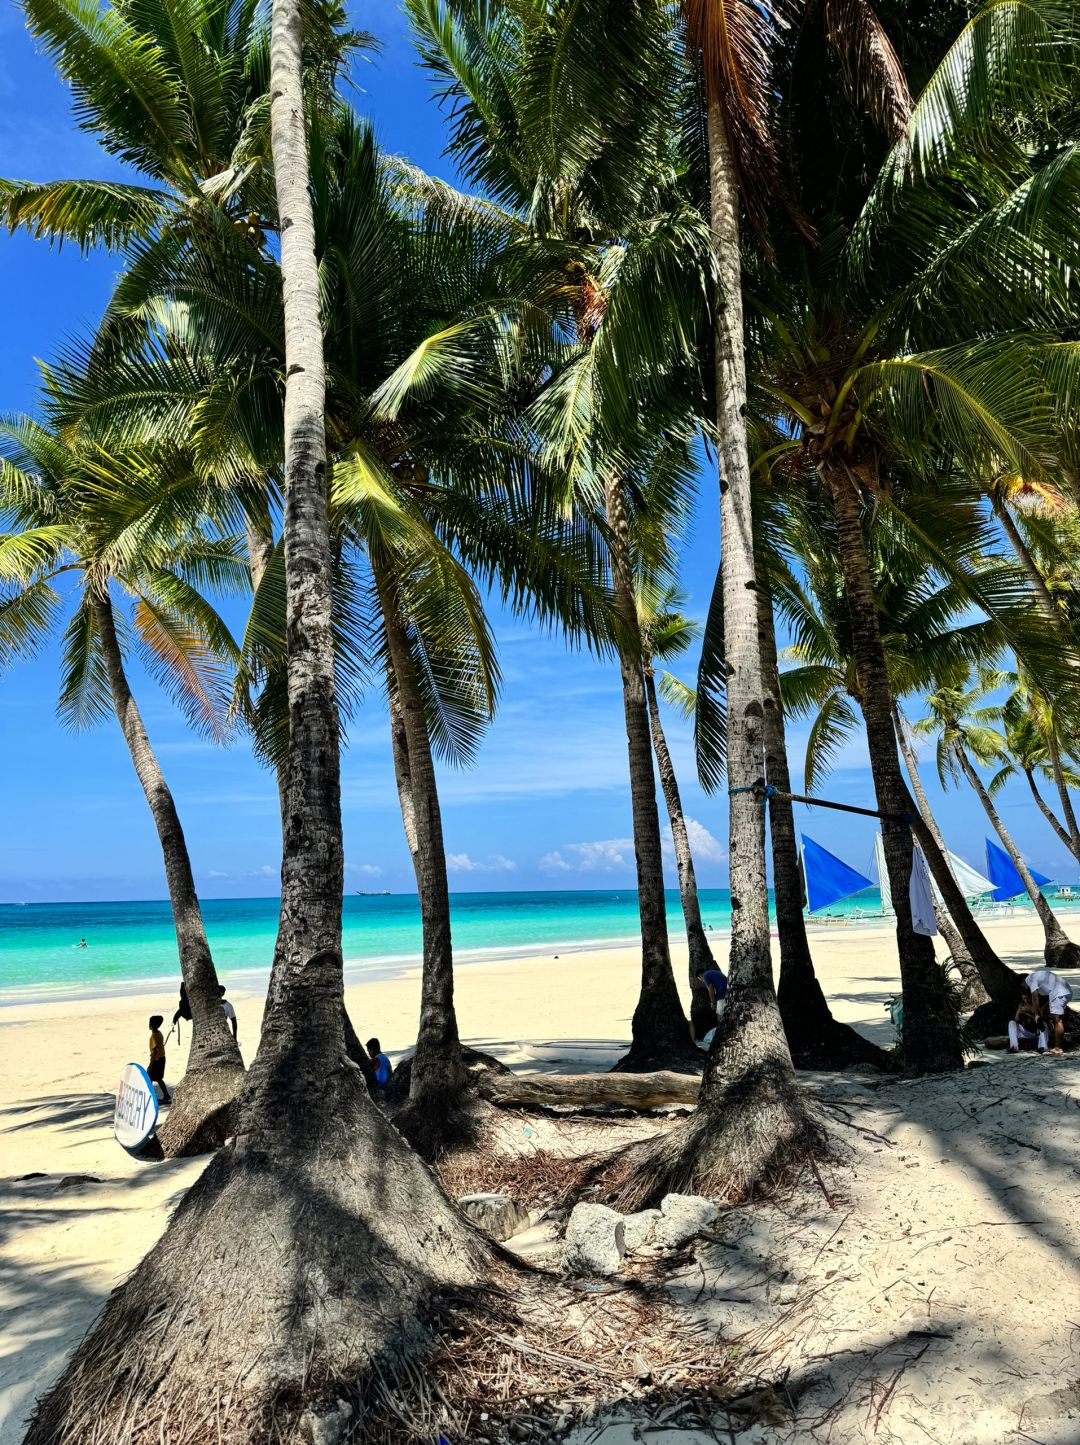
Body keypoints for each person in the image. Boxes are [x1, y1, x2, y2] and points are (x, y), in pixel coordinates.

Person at [1024, 966, 1072, 1054]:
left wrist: (1036, 1014)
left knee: (1057, 1020)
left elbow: (1035, 998)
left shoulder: (1030, 979)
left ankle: (1058, 1048)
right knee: (1055, 1019)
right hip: (1066, 990)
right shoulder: (1038, 975)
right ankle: (1057, 1043)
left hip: (1059, 993)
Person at [1008, 989, 1049, 1054]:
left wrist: (1029, 1012)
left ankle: (1042, 1047)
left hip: (1036, 1032)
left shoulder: (1037, 1005)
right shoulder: (1022, 1004)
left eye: (1028, 998)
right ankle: (1014, 1047)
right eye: (1024, 998)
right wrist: (1018, 1013)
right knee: (1011, 1023)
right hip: (1025, 1031)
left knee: (1043, 1024)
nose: (1026, 1000)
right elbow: (1017, 1020)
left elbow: (1041, 1019)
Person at [147, 1015, 171, 1104]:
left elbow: (154, 1052)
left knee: (149, 1077)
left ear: (151, 1025)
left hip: (156, 1060)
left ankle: (150, 1097)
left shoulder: (154, 1036)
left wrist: (151, 1064)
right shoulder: (159, 1033)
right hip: (162, 1058)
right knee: (158, 1078)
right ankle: (166, 1095)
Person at [690, 968, 716, 1045]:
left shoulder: (698, 989)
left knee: (693, 1022)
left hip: (699, 1011)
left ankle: (693, 1041)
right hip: (706, 1011)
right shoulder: (708, 984)